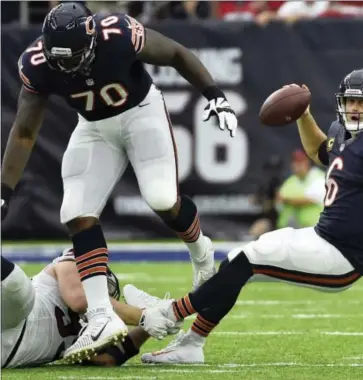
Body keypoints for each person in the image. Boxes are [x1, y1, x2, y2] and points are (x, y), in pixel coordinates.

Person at [134, 68, 363, 364]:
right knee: (237, 259)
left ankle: (169, 313)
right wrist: (304, 116)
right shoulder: (341, 133)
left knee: (247, 260)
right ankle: (192, 344)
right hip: (320, 237)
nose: (355, 109)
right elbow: (319, 150)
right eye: (350, 101)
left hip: (344, 256)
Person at [0, 2, 237, 362]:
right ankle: (99, 317)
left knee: (161, 199)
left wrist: (214, 95)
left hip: (141, 113)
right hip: (95, 127)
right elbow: (24, 133)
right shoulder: (37, 63)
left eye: (73, 56)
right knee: (76, 210)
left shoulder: (119, 35)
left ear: (92, 42)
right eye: (58, 58)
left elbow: (175, 53)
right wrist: (3, 192)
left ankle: (201, 250)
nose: (65, 66)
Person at [1, 251, 177, 368]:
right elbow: (80, 300)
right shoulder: (74, 262)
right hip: (15, 316)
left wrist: (149, 328)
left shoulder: (92, 331)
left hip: (5, 354)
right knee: (15, 284)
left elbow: (108, 359)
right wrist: (144, 316)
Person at [276, 149, 325, 229]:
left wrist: (287, 200)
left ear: (308, 162)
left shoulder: (319, 177)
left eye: (301, 161)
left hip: (313, 230)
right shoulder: (290, 180)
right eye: (295, 162)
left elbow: (309, 199)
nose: (297, 165)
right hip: (290, 228)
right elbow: (279, 199)